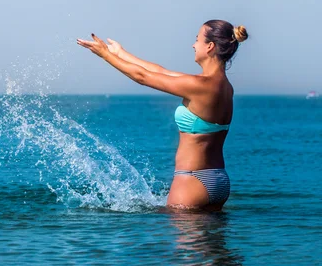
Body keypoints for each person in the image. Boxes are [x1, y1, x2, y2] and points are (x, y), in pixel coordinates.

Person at [77, 20, 248, 210]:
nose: (193, 45)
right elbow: (161, 71)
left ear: (209, 46)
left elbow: (142, 77)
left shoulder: (200, 86)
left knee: (186, 239)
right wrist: (121, 53)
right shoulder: (223, 87)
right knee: (213, 240)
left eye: (197, 39)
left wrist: (105, 55)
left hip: (192, 182)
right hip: (218, 180)